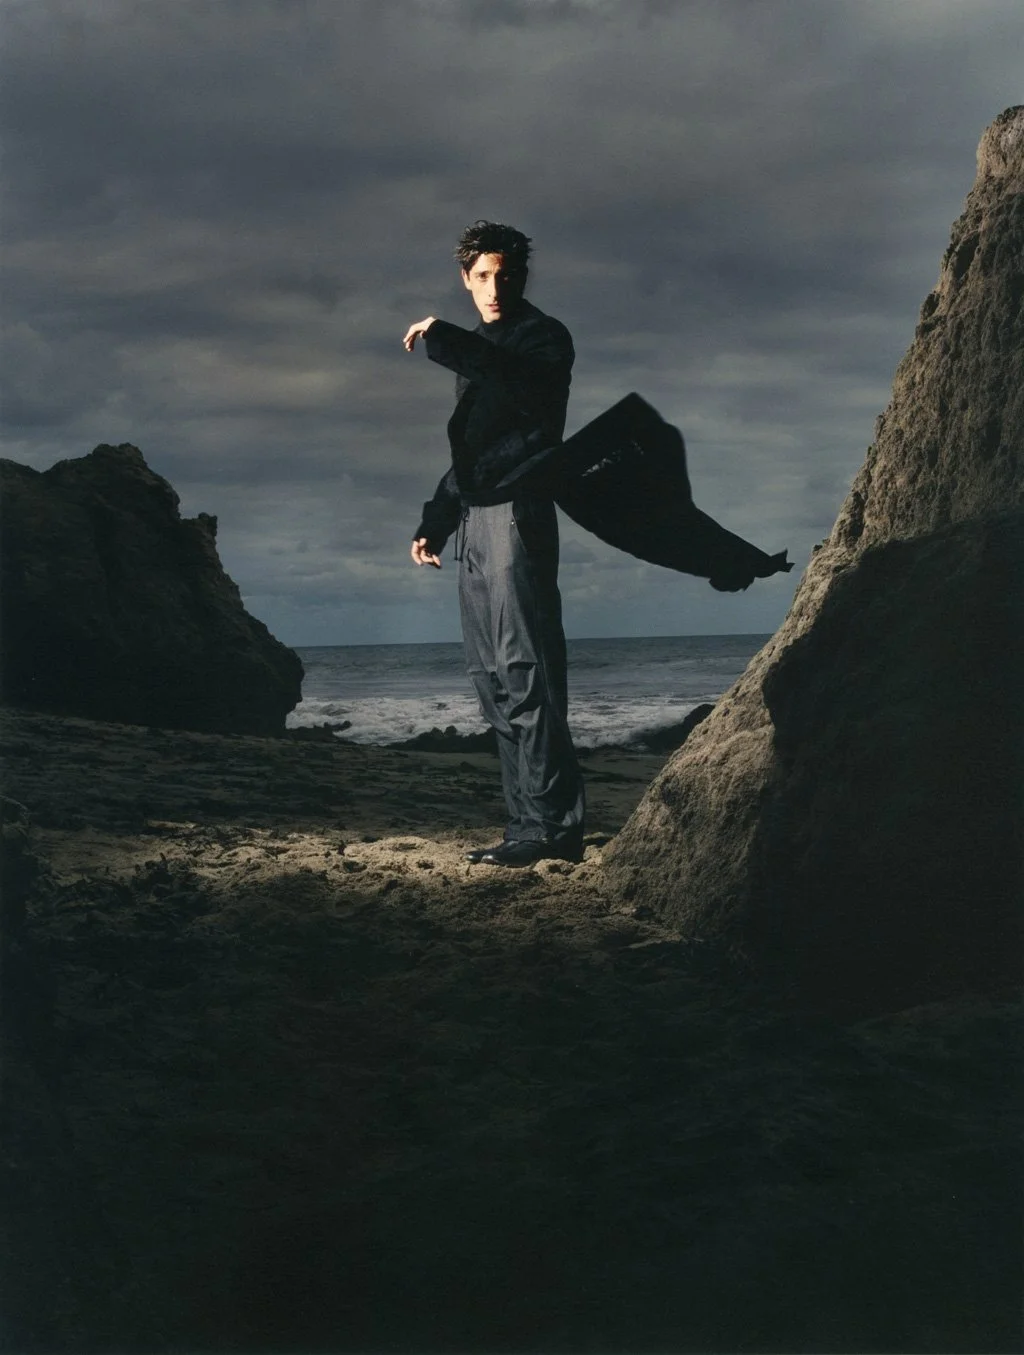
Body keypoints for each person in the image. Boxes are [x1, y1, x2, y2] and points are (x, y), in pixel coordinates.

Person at [404, 220, 586, 868]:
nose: (495, 286)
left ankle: (556, 827)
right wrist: (434, 522)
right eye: (482, 276)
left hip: (518, 515)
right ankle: (524, 826)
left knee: (525, 670)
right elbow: (475, 453)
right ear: (465, 277)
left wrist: (446, 339)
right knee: (491, 681)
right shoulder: (478, 346)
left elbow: (516, 387)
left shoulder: (542, 339)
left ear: (522, 276)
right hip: (476, 523)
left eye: (506, 274)